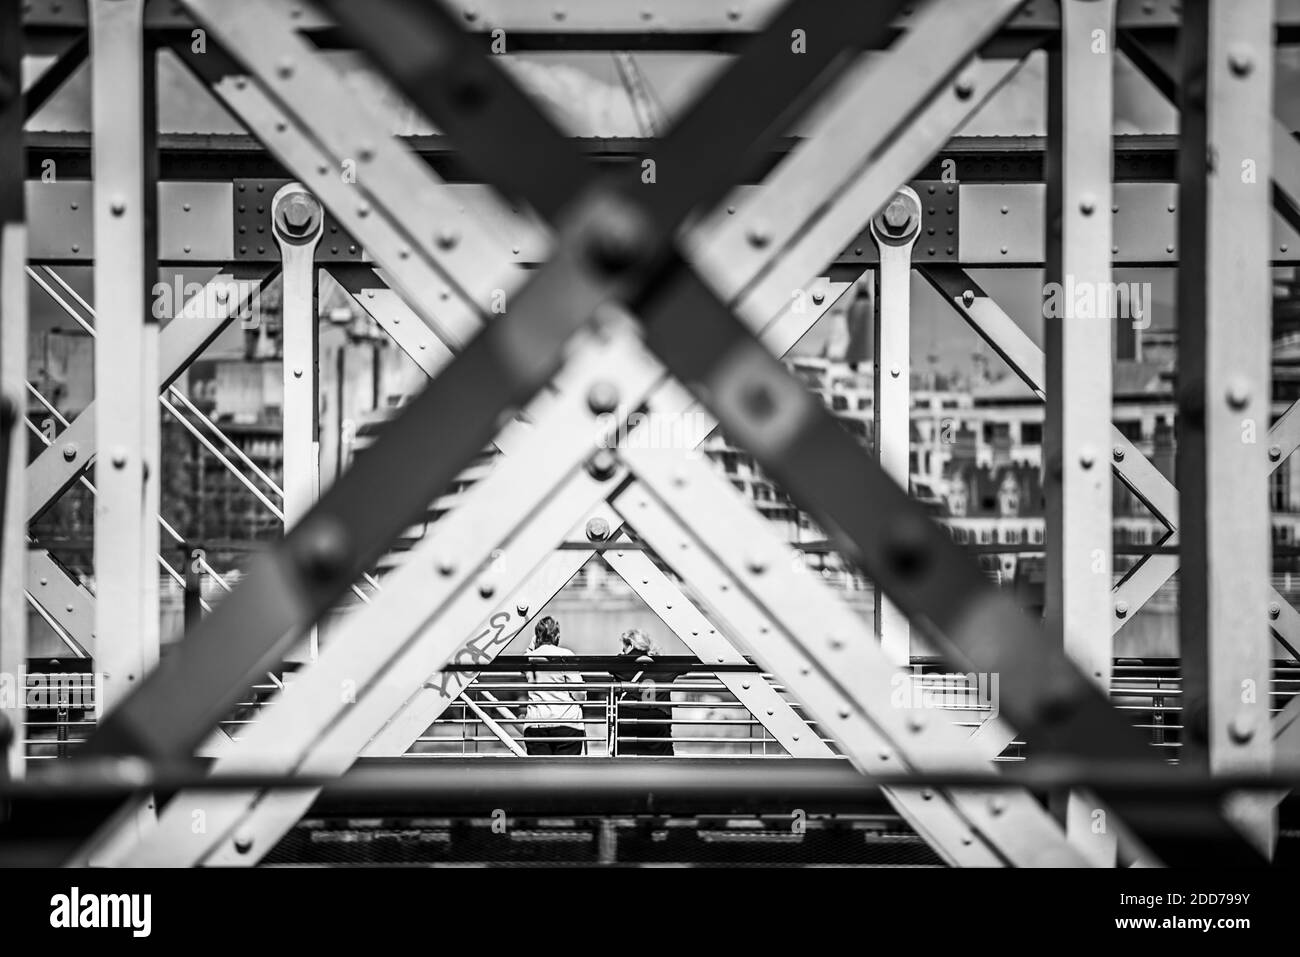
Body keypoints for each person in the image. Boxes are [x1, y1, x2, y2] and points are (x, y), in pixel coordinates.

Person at [610, 628, 682, 756]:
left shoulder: (622, 664)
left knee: (625, 761)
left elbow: (610, 665)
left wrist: (622, 656)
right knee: (662, 761)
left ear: (631, 645)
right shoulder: (663, 665)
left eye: (624, 648)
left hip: (627, 718)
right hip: (656, 719)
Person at [521, 616, 586, 756]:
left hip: (536, 723)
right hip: (566, 724)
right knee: (566, 774)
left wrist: (535, 642)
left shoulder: (529, 658)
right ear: (557, 635)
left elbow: (527, 653)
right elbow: (579, 693)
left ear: (537, 635)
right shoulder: (566, 655)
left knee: (539, 774)